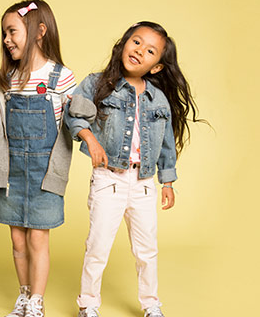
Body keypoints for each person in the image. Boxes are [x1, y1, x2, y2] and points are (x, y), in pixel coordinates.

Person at [65, 21, 205, 317]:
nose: (140, 51)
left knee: (146, 250)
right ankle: (88, 304)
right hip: (108, 180)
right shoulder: (97, 83)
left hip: (143, 183)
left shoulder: (159, 99)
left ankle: (151, 304)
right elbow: (74, 113)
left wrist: (167, 182)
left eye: (150, 51)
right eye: (136, 42)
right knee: (98, 247)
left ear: (156, 67)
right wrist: (90, 139)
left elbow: (167, 143)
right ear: (124, 44)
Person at [0, 0, 80, 316]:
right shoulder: (5, 80)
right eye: (3, 33)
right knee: (17, 240)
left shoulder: (61, 77)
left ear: (39, 31)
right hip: (12, 169)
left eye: (12, 31)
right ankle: (24, 295)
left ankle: (37, 301)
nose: (6, 39)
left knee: (38, 238)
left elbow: (76, 118)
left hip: (44, 171)